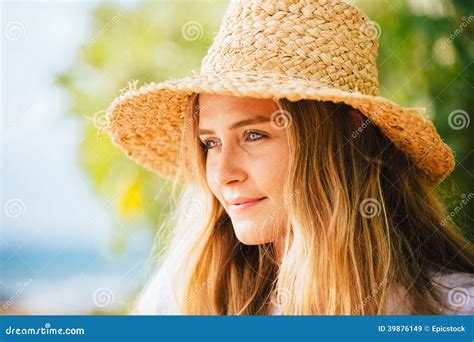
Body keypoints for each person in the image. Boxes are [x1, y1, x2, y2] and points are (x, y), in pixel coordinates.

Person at [105, 0, 474, 315]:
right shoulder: (183, 298)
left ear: (348, 134)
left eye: (253, 134)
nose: (223, 173)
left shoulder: (452, 309)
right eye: (211, 143)